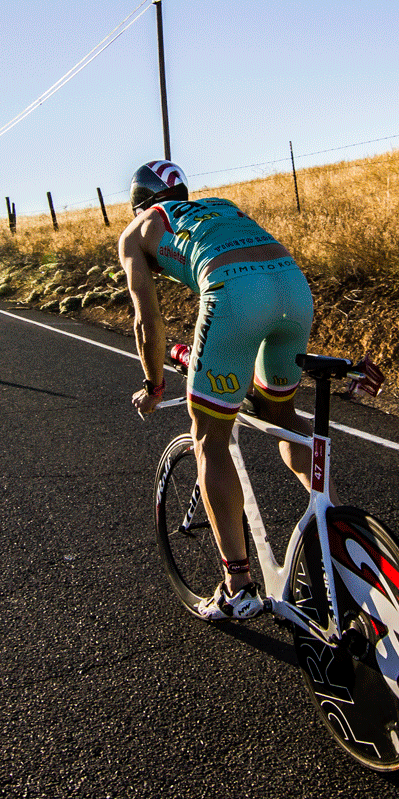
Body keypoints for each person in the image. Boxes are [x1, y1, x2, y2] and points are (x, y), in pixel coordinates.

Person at [118, 160, 317, 621]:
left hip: (234, 295)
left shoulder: (137, 231)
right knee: (281, 415)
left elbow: (147, 321)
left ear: (138, 203)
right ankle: (335, 533)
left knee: (210, 437)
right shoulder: (217, 206)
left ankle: (238, 586)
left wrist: (153, 383)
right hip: (293, 287)